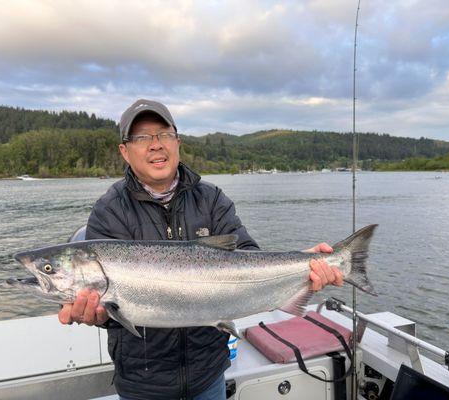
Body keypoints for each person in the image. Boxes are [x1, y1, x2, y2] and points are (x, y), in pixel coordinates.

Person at [58, 99, 343, 400]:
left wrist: (303, 264)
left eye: (164, 134)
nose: (155, 145)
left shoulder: (210, 199)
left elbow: (248, 255)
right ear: (124, 151)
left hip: (208, 376)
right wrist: (97, 315)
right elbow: (110, 311)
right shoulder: (109, 211)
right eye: (142, 137)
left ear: (178, 143)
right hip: (143, 385)